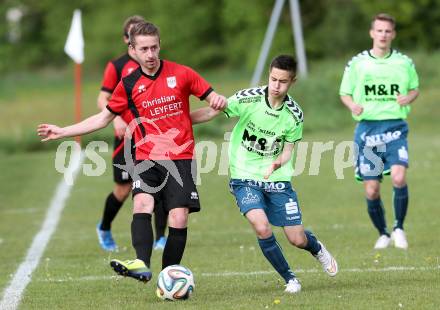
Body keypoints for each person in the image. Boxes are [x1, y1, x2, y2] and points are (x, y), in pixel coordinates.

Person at [38, 21, 227, 282]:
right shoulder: (128, 84)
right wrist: (62, 131)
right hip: (146, 157)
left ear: (160, 45)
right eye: (144, 49)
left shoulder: (182, 73)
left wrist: (218, 102)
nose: (150, 55)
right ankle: (141, 263)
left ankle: (168, 276)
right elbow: (102, 118)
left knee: (179, 217)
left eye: (154, 48)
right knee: (141, 202)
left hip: (180, 157)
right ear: (133, 49)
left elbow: (213, 103)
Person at [190, 55, 338, 294]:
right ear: (268, 75)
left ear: (292, 82)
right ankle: (290, 279)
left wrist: (277, 163)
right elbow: (210, 113)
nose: (276, 86)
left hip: (277, 179)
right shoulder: (248, 98)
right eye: (273, 79)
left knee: (297, 238)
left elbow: (288, 151)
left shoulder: (294, 115)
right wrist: (178, 121)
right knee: (261, 227)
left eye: (283, 81)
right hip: (244, 177)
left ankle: (317, 248)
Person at [339, 13, 419, 250]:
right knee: (372, 189)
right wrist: (352, 104)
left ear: (393, 34)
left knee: (398, 177)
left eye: (387, 31)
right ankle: (383, 233)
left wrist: (409, 97)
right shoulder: (357, 63)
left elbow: (414, 89)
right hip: (368, 131)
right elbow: (345, 92)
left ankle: (399, 229)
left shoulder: (404, 62)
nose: (383, 35)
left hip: (395, 127)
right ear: (372, 33)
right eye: (379, 30)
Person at [95, 15, 168, 252]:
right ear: (128, 40)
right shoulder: (117, 66)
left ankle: (160, 238)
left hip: (152, 138)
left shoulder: (156, 63)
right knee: (123, 190)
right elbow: (103, 98)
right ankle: (104, 227)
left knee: (160, 186)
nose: (147, 51)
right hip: (126, 139)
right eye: (131, 35)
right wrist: (116, 118)